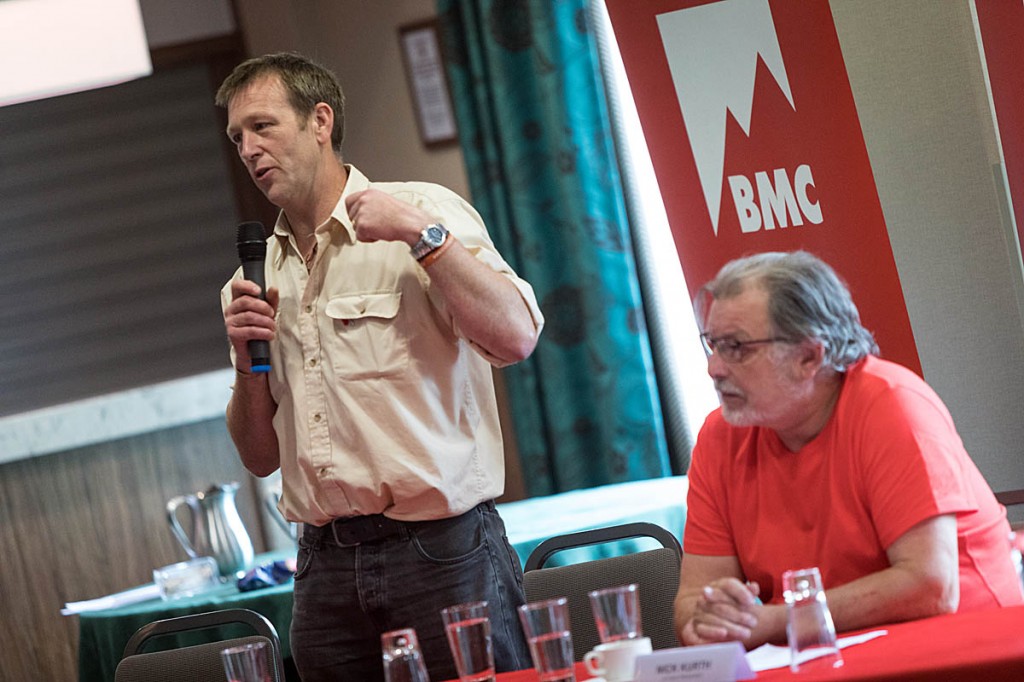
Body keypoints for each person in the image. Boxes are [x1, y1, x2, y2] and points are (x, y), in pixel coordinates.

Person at [215, 52, 543, 681]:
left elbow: (516, 335)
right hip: (324, 570)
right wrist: (244, 363)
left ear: (319, 121)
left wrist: (424, 238)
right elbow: (258, 457)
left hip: (442, 551)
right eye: (237, 138)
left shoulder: (418, 211)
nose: (249, 149)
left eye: (262, 126)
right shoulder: (250, 281)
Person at [676, 250, 1022, 649]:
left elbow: (930, 586)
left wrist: (779, 620)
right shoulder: (720, 437)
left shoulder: (891, 406)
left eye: (738, 347)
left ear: (809, 356)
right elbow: (692, 602)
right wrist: (711, 621)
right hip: (825, 655)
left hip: (967, 649)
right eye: (714, 345)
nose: (714, 369)